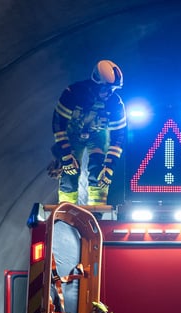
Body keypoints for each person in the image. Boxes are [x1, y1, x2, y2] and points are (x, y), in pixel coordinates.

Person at [51, 60, 128, 205]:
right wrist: (66, 154)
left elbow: (119, 137)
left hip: (98, 136)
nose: (109, 94)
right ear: (95, 83)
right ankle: (67, 209)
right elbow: (58, 124)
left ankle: (97, 210)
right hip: (72, 134)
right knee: (70, 170)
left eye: (112, 89)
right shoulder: (73, 94)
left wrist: (109, 166)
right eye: (106, 88)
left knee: (98, 168)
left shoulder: (116, 104)